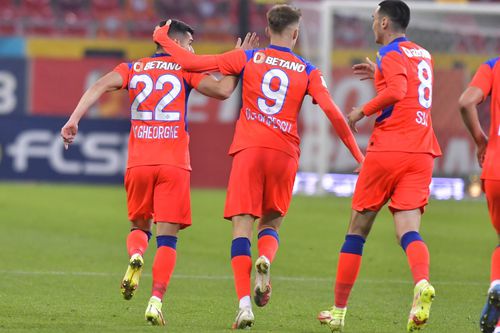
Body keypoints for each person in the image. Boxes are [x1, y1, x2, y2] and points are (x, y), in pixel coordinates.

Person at [152, 4, 365, 329]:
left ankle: (243, 307)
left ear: (267, 30)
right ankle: (265, 259)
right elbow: (334, 114)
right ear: (295, 33)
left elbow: (191, 62)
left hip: (249, 149)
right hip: (285, 153)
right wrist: (359, 157)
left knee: (242, 227)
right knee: (271, 225)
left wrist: (163, 39)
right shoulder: (308, 70)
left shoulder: (247, 57)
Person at [60, 19, 257, 327]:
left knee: (139, 227)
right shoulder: (185, 69)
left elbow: (98, 85)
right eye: (190, 44)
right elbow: (222, 91)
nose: (193, 50)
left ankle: (137, 254)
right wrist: (238, 62)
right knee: (167, 239)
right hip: (174, 164)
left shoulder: (132, 68)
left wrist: (73, 120)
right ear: (176, 44)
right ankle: (155, 301)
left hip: (138, 163)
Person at [317, 1, 442, 332]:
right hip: (422, 151)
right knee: (408, 229)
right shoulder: (423, 54)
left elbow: (399, 92)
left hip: (390, 147)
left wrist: (361, 111)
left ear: (385, 23)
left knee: (357, 229)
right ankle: (422, 283)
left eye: (374, 19)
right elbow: (410, 90)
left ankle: (338, 312)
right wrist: (381, 75)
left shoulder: (390, 52)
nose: (372, 24)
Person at [459, 57, 500, 333]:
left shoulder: (494, 65)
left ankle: (497, 284)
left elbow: (465, 102)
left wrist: (479, 139)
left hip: (495, 168)